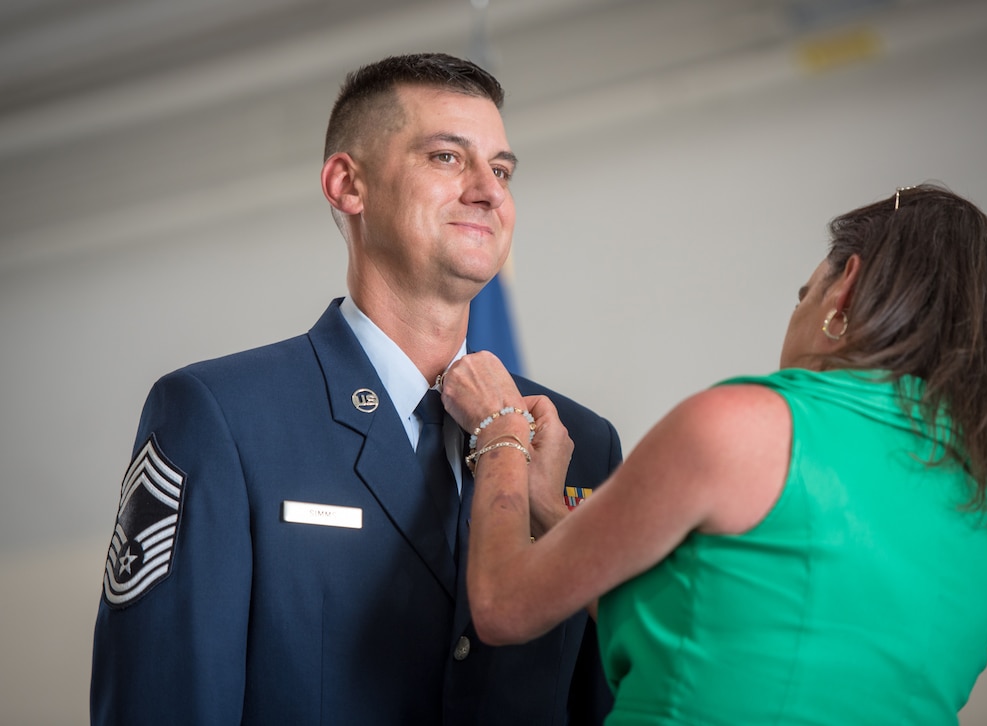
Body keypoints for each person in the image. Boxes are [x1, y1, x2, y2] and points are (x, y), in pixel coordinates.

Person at [90, 52, 622, 725]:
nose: (490, 191)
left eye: (503, 170)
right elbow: (163, 704)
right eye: (447, 158)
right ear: (348, 184)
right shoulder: (222, 417)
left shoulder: (580, 443)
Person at [440, 183, 987, 725]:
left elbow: (501, 606)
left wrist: (499, 429)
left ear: (844, 287)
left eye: (805, 294)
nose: (795, 314)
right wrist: (547, 507)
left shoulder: (747, 427)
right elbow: (700, 632)